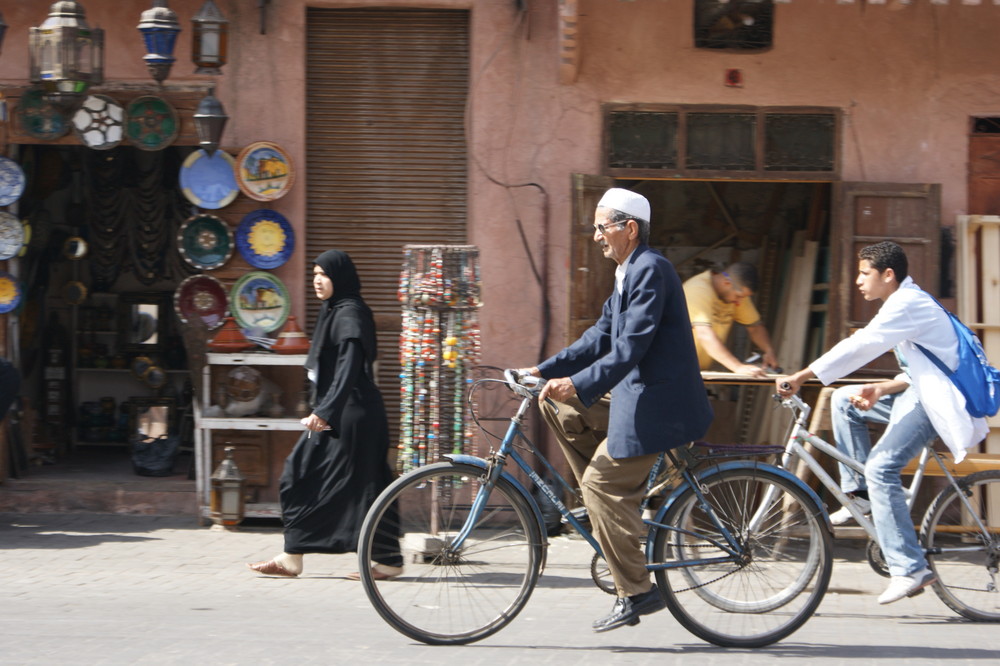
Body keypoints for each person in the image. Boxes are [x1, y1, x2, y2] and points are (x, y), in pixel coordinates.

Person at [517, 188, 713, 632]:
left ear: (629, 228)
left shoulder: (652, 270)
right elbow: (600, 336)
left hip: (659, 405)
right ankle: (612, 506)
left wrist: (580, 382)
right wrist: (543, 370)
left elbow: (630, 346)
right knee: (557, 409)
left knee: (600, 483)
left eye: (602, 227)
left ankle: (638, 592)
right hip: (636, 395)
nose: (596, 236)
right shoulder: (628, 272)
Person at [776, 241, 988, 605]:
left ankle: (910, 569)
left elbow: (863, 344)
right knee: (844, 399)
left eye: (864, 273)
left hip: (938, 402)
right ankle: (860, 496)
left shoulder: (907, 303)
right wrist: (882, 387)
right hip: (921, 392)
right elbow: (923, 366)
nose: (858, 281)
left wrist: (803, 375)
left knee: (882, 468)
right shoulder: (904, 302)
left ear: (888, 275)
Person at [248, 250, 402, 580]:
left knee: (323, 476)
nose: (317, 280)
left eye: (325, 274)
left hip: (352, 413)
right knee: (355, 480)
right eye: (315, 273)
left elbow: (348, 367)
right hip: (346, 410)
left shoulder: (351, 313)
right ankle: (302, 555)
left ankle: (380, 560)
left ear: (340, 278)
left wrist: (325, 411)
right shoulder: (334, 311)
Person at [683, 262, 778, 378]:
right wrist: (737, 367)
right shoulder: (698, 290)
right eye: (738, 296)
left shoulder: (735, 291)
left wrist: (768, 350)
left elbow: (755, 327)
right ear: (727, 283)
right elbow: (704, 334)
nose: (739, 302)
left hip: (693, 371)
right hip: (672, 368)